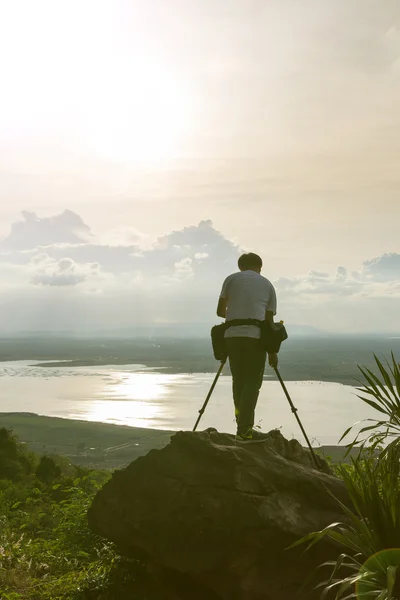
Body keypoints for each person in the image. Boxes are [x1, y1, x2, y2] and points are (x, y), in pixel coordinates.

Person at [216, 253, 278, 440]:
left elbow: (220, 312)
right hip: (255, 338)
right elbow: (269, 322)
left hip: (232, 337)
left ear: (240, 266)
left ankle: (241, 425)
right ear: (260, 267)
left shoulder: (230, 280)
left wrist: (237, 313)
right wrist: (272, 352)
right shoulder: (267, 284)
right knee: (252, 382)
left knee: (239, 380)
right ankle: (245, 429)